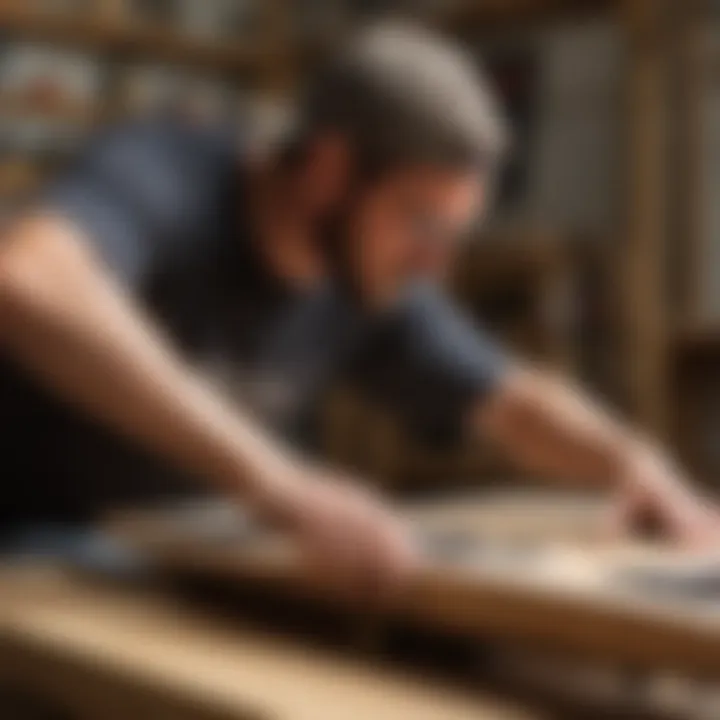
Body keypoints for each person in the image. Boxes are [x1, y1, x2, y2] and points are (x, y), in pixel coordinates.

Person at [0, 22, 715, 593]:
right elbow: (28, 282)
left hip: (173, 559)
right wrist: (280, 485)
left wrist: (637, 464)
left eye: (453, 234)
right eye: (423, 224)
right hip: (36, 549)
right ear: (329, 167)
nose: (437, 263)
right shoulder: (169, 172)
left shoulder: (364, 282)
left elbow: (517, 404)